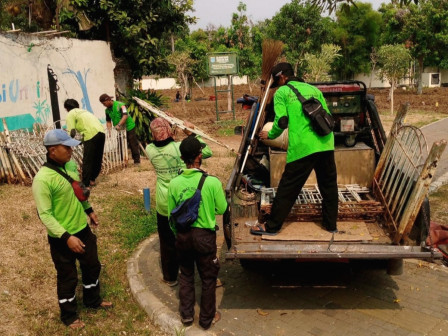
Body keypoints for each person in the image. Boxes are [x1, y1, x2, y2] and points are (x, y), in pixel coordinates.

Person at [32, 129, 112, 330]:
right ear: (52, 150)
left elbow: (78, 192)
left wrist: (89, 210)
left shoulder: (70, 166)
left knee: (92, 265)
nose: (70, 151)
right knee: (68, 277)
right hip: (62, 239)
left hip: (82, 229)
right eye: (66, 147)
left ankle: (92, 300)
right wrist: (67, 237)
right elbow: (45, 215)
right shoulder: (42, 180)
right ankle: (68, 316)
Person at [252, 62, 338, 235]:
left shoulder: (282, 92)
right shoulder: (313, 90)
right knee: (328, 186)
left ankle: (271, 227)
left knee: (288, 188)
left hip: (303, 146)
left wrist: (271, 135)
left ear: (282, 77)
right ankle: (331, 226)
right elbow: (328, 116)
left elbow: (282, 121)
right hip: (326, 142)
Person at [168, 136, 227, 330]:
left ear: (182, 157)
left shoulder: (174, 183)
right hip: (204, 238)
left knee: (186, 275)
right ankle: (206, 319)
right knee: (208, 279)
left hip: (183, 236)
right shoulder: (211, 182)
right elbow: (222, 208)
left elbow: (171, 216)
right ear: (199, 155)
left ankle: (186, 315)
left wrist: (179, 234)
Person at [146, 118, 212, 287]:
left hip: (163, 202)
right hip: (184, 200)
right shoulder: (178, 148)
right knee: (190, 238)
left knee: (167, 241)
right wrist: (192, 134)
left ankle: (170, 277)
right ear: (170, 131)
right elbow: (207, 152)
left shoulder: (149, 149)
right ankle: (194, 273)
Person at [64, 99, 105, 188]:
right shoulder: (85, 112)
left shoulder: (71, 113)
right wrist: (82, 141)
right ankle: (92, 180)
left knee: (88, 160)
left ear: (67, 108)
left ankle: (85, 184)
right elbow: (87, 125)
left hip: (91, 134)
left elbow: (71, 132)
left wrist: (67, 144)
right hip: (101, 133)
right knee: (97, 158)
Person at [99, 93, 141, 164]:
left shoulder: (121, 105)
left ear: (109, 100)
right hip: (120, 129)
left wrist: (119, 125)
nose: (104, 105)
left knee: (132, 143)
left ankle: (137, 161)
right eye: (102, 104)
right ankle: (123, 160)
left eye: (104, 103)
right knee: (121, 144)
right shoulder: (107, 111)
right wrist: (109, 131)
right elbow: (108, 121)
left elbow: (125, 116)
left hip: (129, 126)